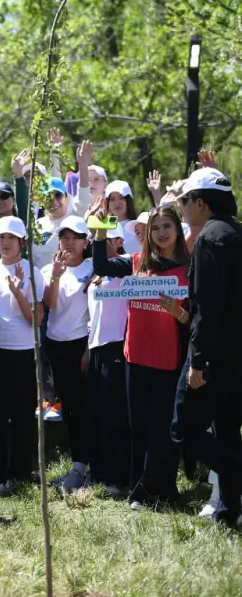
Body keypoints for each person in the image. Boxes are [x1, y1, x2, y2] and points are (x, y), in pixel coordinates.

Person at [92, 205, 188, 509]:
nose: (161, 233)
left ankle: (159, 492)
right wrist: (100, 230)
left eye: (167, 226)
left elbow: (194, 319)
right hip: (135, 358)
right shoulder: (135, 262)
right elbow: (101, 265)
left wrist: (177, 312)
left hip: (168, 361)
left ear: (177, 230)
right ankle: (140, 489)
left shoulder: (188, 269)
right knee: (139, 427)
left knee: (162, 430)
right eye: (155, 228)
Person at [171, 168, 242, 527]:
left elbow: (207, 308)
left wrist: (197, 361)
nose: (181, 207)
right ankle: (230, 512)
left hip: (213, 356)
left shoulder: (210, 239)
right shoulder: (237, 233)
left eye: (185, 200)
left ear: (201, 202)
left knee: (184, 429)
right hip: (236, 357)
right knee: (227, 432)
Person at [0, 217, 44, 492]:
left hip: (25, 352)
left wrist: (18, 292)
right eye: (1, 237)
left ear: (22, 242)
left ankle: (20, 474)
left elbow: (37, 319)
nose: (5, 242)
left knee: (22, 416)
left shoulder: (33, 273)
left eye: (11, 237)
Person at [41, 216, 94, 491]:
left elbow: (97, 312)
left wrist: (87, 350)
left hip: (82, 345)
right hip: (55, 345)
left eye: (75, 237)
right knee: (70, 410)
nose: (69, 242)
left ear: (86, 242)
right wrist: (56, 275)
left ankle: (85, 466)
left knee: (84, 409)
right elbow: (49, 304)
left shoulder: (94, 267)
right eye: (64, 237)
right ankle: (79, 466)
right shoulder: (49, 269)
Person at [85, 223, 131, 498]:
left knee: (116, 414)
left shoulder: (127, 266)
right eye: (97, 239)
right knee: (100, 412)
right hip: (97, 347)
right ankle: (101, 472)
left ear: (120, 241)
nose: (100, 243)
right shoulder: (96, 274)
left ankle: (119, 476)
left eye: (107, 239)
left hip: (118, 345)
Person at [31, 141, 94, 269]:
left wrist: (83, 166)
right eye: (48, 197)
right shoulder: (37, 225)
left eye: (58, 195)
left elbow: (83, 194)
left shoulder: (76, 215)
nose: (53, 201)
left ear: (66, 196)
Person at [103, 181, 140, 255]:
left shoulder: (139, 226)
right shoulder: (103, 229)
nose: (117, 203)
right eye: (112, 199)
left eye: (121, 198)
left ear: (128, 200)